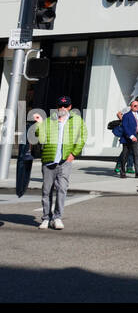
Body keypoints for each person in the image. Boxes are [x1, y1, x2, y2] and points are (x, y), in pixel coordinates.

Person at [32, 96, 86, 230]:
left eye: (65, 106)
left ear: (70, 107)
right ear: (57, 107)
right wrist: (39, 123)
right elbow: (41, 136)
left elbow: (82, 138)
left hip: (65, 161)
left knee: (62, 189)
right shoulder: (49, 121)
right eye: (60, 106)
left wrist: (73, 154)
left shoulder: (77, 120)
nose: (62, 108)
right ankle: (46, 218)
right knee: (46, 190)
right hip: (49, 160)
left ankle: (57, 218)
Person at [114, 96, 138, 179]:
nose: (137, 107)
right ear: (131, 107)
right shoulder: (126, 115)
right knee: (125, 155)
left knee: (136, 155)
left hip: (137, 136)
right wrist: (131, 136)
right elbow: (125, 127)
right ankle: (122, 172)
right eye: (135, 106)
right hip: (127, 138)